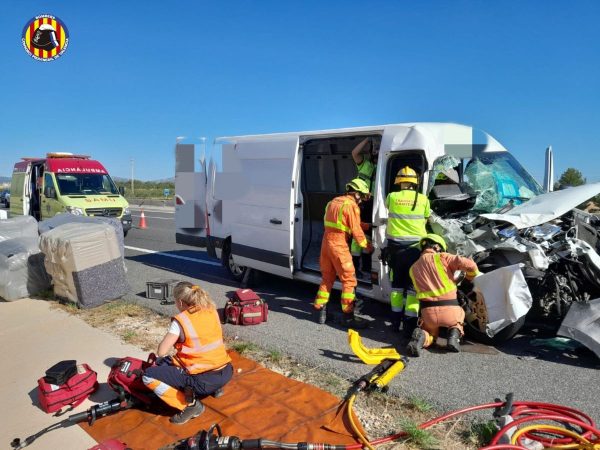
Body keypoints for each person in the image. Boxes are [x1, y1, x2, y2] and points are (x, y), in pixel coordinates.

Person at [143, 282, 233, 424]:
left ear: (180, 302)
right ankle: (216, 390)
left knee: (148, 375)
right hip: (226, 371)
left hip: (203, 381)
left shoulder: (181, 321)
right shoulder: (211, 310)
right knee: (187, 362)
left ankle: (191, 406)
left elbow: (161, 352)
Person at [406, 234, 480, 356]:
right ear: (437, 246)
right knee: (458, 319)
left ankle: (422, 337)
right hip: (451, 310)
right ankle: (453, 336)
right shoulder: (443, 257)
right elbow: (469, 265)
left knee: (430, 333)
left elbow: (417, 290)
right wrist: (472, 276)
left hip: (428, 314)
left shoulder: (413, 268)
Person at [313, 178, 373, 329]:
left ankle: (320, 312)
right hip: (339, 245)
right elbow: (356, 230)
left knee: (327, 278)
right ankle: (348, 316)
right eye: (363, 196)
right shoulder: (351, 205)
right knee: (349, 281)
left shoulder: (333, 202)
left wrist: (368, 226)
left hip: (326, 243)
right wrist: (367, 246)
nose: (362, 200)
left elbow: (343, 222)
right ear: (357, 194)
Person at [384, 166, 430, 335]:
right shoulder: (424, 199)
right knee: (412, 288)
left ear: (399, 181)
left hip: (396, 250)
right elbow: (426, 218)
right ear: (415, 183)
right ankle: (409, 326)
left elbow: (389, 210)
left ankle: (395, 323)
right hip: (415, 250)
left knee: (397, 286)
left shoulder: (392, 197)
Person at [350, 138, 378, 279]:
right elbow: (354, 153)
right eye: (375, 150)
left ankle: (366, 266)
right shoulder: (364, 164)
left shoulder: (383, 166)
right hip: (361, 203)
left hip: (374, 203)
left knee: (369, 234)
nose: (377, 152)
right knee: (357, 234)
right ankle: (355, 267)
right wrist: (367, 140)